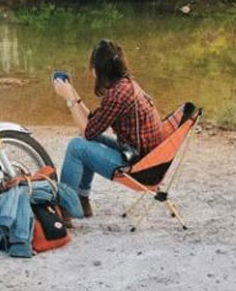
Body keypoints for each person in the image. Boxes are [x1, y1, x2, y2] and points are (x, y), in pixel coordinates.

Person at [52, 40, 163, 223]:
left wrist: (69, 99)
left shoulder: (117, 95)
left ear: (98, 70)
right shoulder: (126, 85)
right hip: (146, 158)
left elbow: (88, 131)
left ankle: (64, 210)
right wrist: (73, 93)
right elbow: (93, 125)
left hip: (139, 168)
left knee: (76, 147)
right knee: (84, 140)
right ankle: (82, 200)